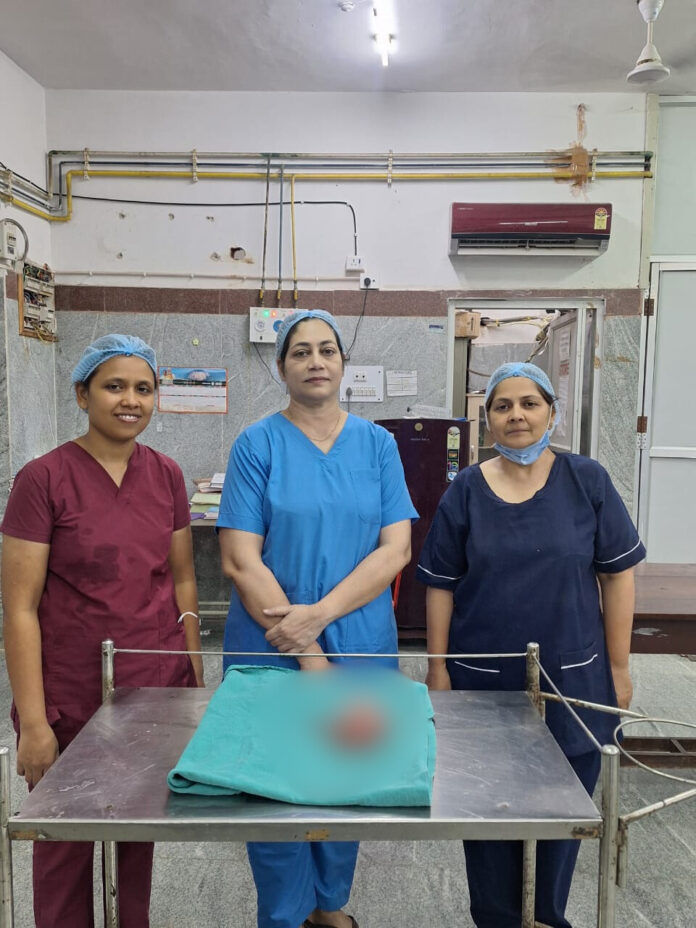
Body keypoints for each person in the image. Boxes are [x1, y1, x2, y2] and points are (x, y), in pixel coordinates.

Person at [416, 361, 645, 928]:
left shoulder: (586, 481)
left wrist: (618, 668)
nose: (516, 415)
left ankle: (546, 917)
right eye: (502, 405)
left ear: (551, 413)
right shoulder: (465, 491)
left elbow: (617, 576)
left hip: (574, 677)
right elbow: (440, 585)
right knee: (487, 815)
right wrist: (438, 670)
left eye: (529, 403)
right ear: (488, 419)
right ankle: (496, 918)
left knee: (561, 815)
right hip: (482, 682)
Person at [217, 309, 417, 928]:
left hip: (360, 640)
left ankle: (330, 905)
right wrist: (307, 649)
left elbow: (395, 549)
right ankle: (284, 913)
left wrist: (322, 615)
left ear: (342, 363)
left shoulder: (378, 445)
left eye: (327, 350)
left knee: (347, 772)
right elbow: (240, 558)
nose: (316, 362)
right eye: (300, 352)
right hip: (270, 639)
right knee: (272, 782)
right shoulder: (257, 444)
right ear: (281, 367)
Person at [1, 333, 204, 928]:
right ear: (82, 394)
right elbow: (18, 608)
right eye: (114, 386)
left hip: (152, 689)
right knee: (63, 839)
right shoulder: (42, 479)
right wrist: (35, 723)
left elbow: (183, 580)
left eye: (144, 388)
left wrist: (193, 683)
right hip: (69, 692)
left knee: (138, 831)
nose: (130, 400)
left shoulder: (166, 475)